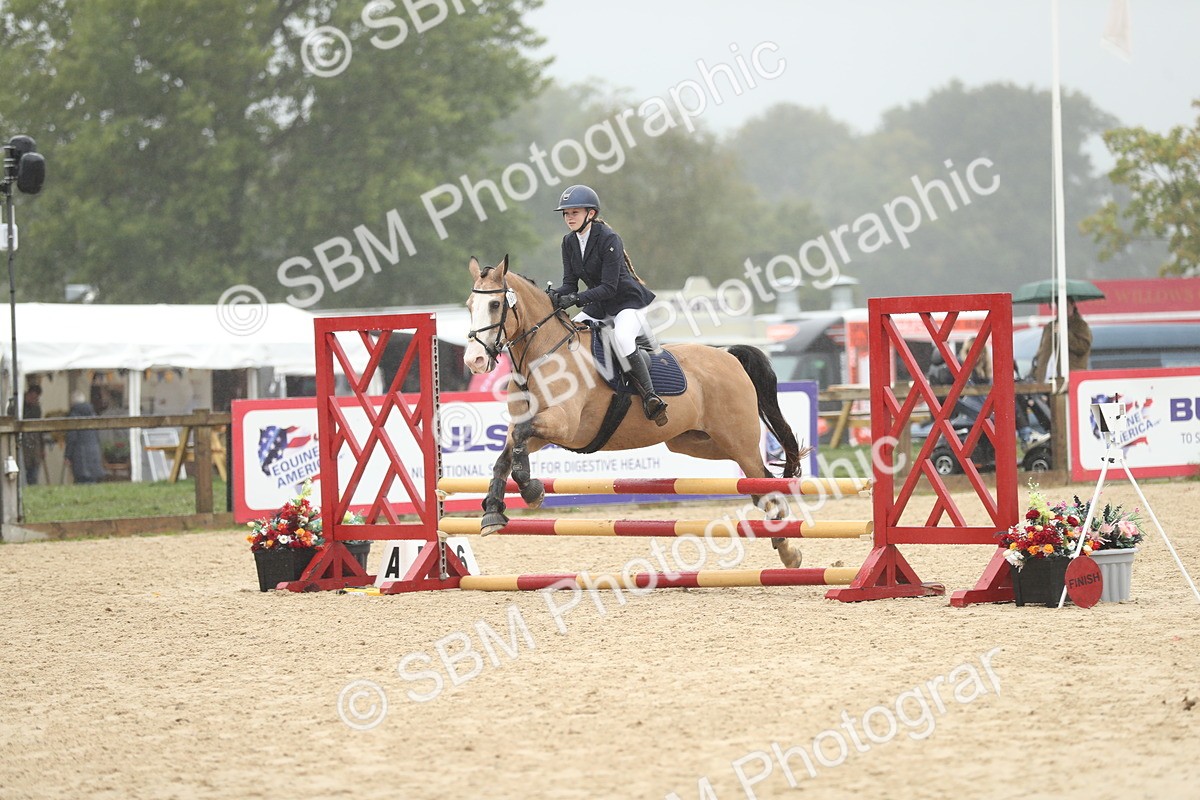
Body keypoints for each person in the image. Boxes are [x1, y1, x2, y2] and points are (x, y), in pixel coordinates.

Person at [548, 184, 668, 426]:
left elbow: (610, 287)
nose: (569, 218)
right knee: (569, 336)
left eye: (575, 213)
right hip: (599, 306)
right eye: (566, 213)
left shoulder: (608, 239)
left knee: (623, 338)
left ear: (590, 214)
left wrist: (577, 299)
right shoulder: (568, 242)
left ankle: (650, 397)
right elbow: (569, 285)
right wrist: (548, 297)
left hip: (626, 302)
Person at [1032, 299, 1092, 384]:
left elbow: (1082, 348)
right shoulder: (1050, 327)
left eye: (1066, 305)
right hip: (1045, 378)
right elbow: (1041, 351)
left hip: (1069, 378)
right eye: (1059, 306)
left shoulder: (1081, 326)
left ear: (1073, 305)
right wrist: (1036, 371)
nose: (1063, 309)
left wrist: (1065, 333)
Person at [65, 391, 107, 484]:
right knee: (92, 480)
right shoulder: (92, 414)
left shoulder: (74, 416)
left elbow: (72, 438)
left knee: (81, 480)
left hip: (80, 452)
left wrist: (67, 456)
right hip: (94, 450)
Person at [20, 385, 44, 484]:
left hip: (34, 442)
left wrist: (42, 447)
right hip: (24, 441)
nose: (35, 400)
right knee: (25, 468)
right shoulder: (20, 407)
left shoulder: (36, 408)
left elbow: (40, 429)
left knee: (34, 471)